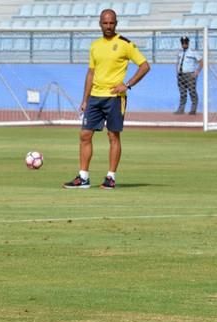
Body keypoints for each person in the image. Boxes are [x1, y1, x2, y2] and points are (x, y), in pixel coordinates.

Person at [63, 9, 150, 190]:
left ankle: (110, 177)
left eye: (111, 23)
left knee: (113, 136)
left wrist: (127, 84)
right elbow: (91, 73)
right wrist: (85, 99)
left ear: (116, 23)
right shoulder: (95, 45)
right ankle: (83, 177)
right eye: (105, 23)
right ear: (100, 23)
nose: (108, 26)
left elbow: (144, 66)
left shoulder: (125, 44)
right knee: (85, 134)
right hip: (95, 97)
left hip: (114, 98)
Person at [175, 36, 203, 115]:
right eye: (183, 42)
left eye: (185, 42)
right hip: (181, 75)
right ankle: (181, 109)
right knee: (182, 93)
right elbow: (178, 62)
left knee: (192, 92)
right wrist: (176, 72)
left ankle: (193, 110)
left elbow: (201, 61)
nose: (184, 44)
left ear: (188, 43)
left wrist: (197, 71)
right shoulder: (180, 53)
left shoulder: (193, 52)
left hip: (190, 75)